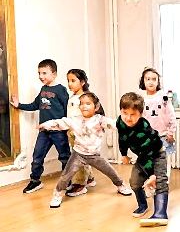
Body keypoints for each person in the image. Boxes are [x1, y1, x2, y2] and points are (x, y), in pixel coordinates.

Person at [39, 91, 133, 208]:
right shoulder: (75, 120)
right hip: (78, 154)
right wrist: (45, 125)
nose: (84, 106)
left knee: (110, 171)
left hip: (94, 155)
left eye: (88, 104)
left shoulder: (100, 120)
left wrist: (128, 123)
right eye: (82, 104)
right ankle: (57, 194)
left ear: (96, 107)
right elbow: (60, 122)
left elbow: (114, 124)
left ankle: (121, 185)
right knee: (66, 176)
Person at [10, 58, 71, 194]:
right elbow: (35, 105)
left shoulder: (61, 90)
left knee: (65, 157)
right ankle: (35, 181)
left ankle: (67, 181)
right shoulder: (43, 89)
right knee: (37, 156)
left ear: (54, 74)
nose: (41, 76)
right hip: (44, 131)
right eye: (39, 73)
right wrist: (19, 105)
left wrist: (67, 127)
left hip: (58, 131)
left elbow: (67, 109)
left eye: (44, 73)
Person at [116, 92, 167, 224]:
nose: (128, 118)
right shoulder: (120, 122)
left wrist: (152, 174)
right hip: (143, 156)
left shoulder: (144, 128)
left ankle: (161, 213)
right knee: (134, 182)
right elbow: (122, 139)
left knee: (159, 181)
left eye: (133, 114)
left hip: (156, 154)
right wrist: (123, 154)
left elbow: (148, 153)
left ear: (141, 114)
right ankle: (143, 205)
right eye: (125, 113)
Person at [139, 65, 176, 190]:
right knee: (148, 160)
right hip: (147, 137)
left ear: (158, 81)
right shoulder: (141, 99)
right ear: (143, 81)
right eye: (148, 79)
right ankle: (151, 182)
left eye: (154, 79)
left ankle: (163, 183)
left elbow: (171, 114)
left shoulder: (163, 97)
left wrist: (171, 131)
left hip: (163, 135)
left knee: (164, 160)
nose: (151, 82)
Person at [64, 69, 98, 197]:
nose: (70, 84)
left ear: (82, 82)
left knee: (79, 157)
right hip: (72, 132)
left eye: (73, 81)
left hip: (81, 133)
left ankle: (79, 184)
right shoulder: (72, 98)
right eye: (68, 81)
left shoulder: (86, 98)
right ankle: (89, 178)